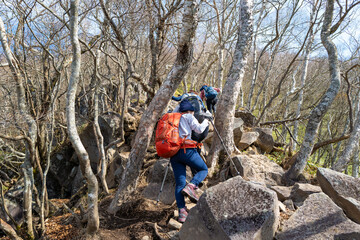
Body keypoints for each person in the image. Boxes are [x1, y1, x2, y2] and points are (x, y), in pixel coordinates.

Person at [170, 99, 209, 223]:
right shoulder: (189, 116)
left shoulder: (172, 117)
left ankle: (182, 213)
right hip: (187, 150)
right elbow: (199, 130)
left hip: (174, 153)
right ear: (191, 111)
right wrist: (207, 120)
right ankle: (192, 185)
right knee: (203, 169)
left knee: (180, 183)